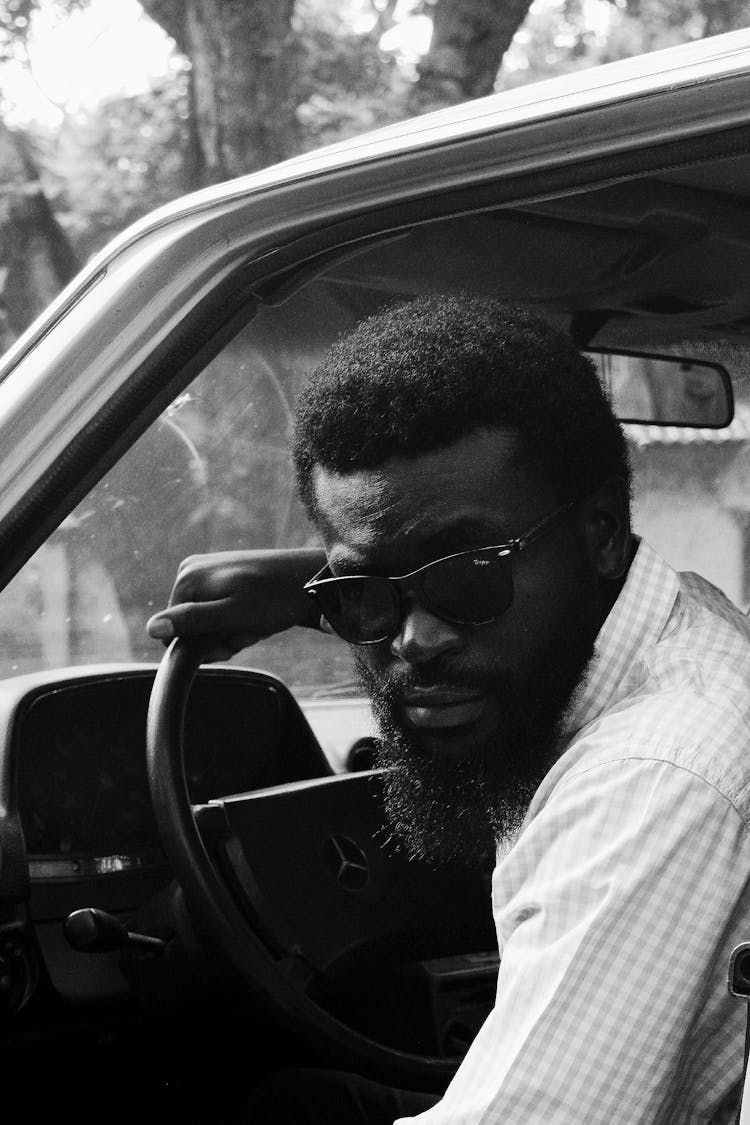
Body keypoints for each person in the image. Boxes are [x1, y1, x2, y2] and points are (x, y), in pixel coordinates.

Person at [147, 294, 750, 1123]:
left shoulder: (653, 778)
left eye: (466, 575)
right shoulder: (680, 625)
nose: (415, 640)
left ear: (603, 530)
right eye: (366, 591)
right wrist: (318, 589)